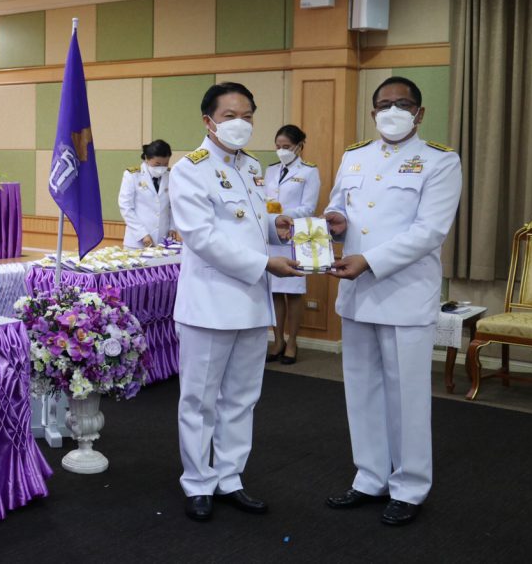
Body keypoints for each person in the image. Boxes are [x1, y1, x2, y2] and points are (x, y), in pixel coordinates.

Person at [323, 76, 461, 527]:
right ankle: (370, 478)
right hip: (357, 294)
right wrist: (335, 222)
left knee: (407, 396)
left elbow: (430, 231)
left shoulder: (440, 160)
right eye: (384, 104)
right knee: (362, 391)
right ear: (373, 113)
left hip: (404, 294)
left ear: (420, 113)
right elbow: (337, 207)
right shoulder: (354, 155)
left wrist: (370, 260)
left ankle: (410, 486)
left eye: (403, 104)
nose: (393, 111)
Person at [170, 82, 302, 522]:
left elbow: (250, 226)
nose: (240, 123)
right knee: (200, 400)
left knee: (242, 399)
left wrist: (275, 231)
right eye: (230, 116)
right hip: (209, 304)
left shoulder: (250, 166)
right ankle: (198, 481)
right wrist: (265, 263)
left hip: (250, 301)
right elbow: (203, 237)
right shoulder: (190, 168)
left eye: (247, 115)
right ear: (208, 121)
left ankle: (230, 477)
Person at [264, 125, 320, 364]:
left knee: (294, 292)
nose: (281, 151)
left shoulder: (309, 171)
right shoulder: (270, 170)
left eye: (286, 146)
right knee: (275, 291)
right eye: (278, 146)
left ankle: (292, 341)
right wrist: (273, 219)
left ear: (299, 146)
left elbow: (309, 207)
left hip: (295, 235)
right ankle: (277, 340)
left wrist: (284, 216)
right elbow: (264, 200)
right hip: (273, 235)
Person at [118, 139, 181, 248]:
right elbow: (126, 207)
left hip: (163, 239)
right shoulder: (132, 175)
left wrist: (172, 227)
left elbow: (173, 205)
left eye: (165, 164)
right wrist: (142, 234)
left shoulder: (170, 175)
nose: (161, 168)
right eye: (157, 164)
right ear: (147, 159)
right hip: (137, 241)